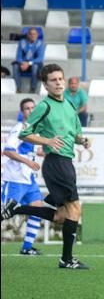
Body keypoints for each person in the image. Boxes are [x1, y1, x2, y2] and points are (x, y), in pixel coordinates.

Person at [0, 64, 91, 269]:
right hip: (56, 163)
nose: (58, 83)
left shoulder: (69, 104)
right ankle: (66, 259)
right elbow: (25, 134)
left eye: (60, 79)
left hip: (66, 162)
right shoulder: (44, 106)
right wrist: (46, 141)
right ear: (45, 85)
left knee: (61, 216)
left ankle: (16, 208)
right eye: (53, 80)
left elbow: (74, 135)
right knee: (75, 208)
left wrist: (83, 141)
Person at [1, 98, 45, 255]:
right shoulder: (20, 128)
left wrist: (50, 150)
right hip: (15, 180)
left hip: (29, 181)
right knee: (5, 213)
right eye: (27, 108)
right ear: (22, 112)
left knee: (37, 209)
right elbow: (8, 150)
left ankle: (27, 247)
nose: (31, 111)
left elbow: (33, 151)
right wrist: (27, 162)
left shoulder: (34, 129)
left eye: (33, 108)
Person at [12, 27, 45, 93]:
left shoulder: (40, 43)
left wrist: (29, 63)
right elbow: (18, 56)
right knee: (15, 66)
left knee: (35, 67)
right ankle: (17, 88)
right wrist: (22, 63)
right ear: (28, 35)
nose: (32, 36)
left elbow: (40, 58)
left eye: (34, 34)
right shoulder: (22, 42)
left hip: (34, 64)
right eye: (31, 34)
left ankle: (33, 88)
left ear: (37, 35)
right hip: (23, 64)